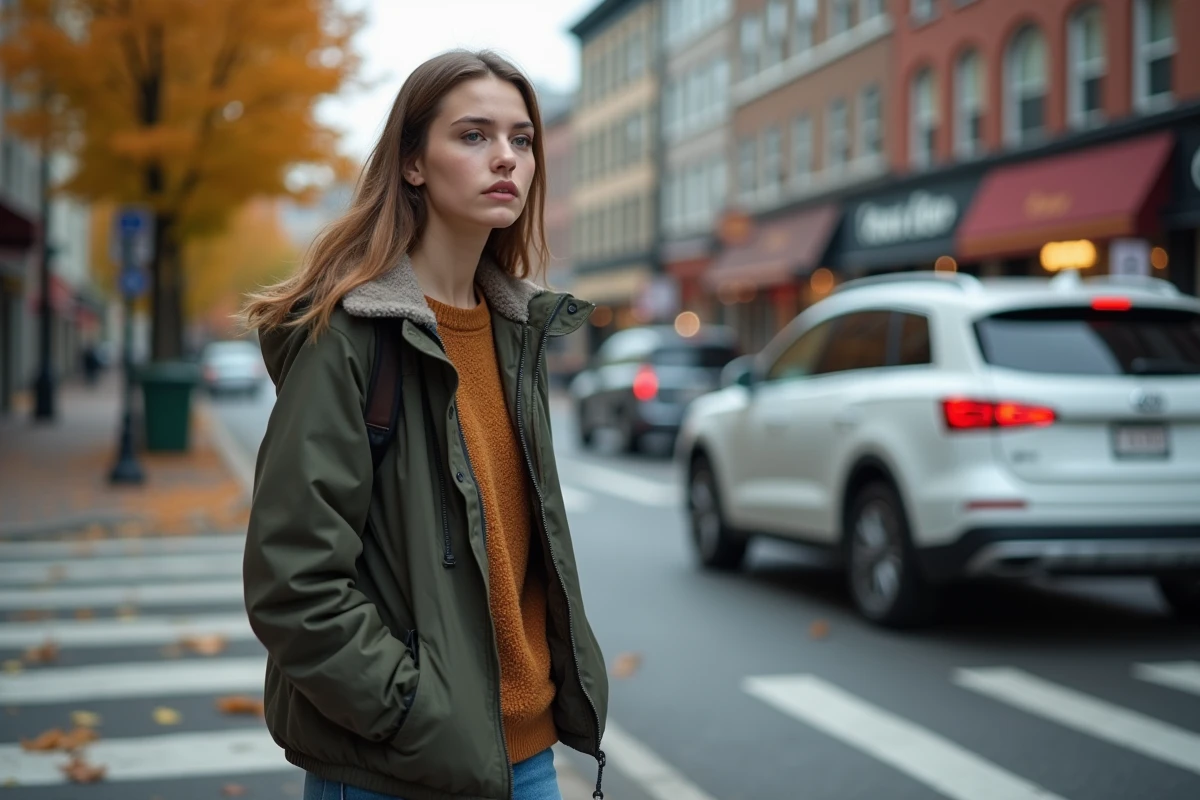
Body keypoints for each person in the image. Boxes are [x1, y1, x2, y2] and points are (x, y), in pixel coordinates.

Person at [239, 50, 608, 800]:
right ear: (412, 163)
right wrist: (413, 713)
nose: (505, 157)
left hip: (529, 760)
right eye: (473, 135)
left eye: (522, 139)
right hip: (397, 768)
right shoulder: (349, 337)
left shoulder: (516, 333)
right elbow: (293, 583)